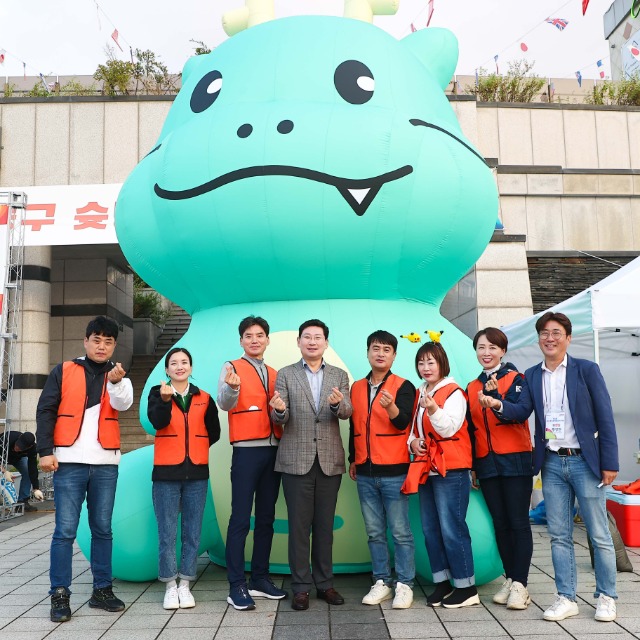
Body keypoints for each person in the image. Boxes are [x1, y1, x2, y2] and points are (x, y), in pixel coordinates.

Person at [479, 312, 619, 623]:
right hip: (552, 463)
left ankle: (606, 596)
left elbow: (605, 417)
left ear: (568, 338)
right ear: (538, 338)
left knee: (598, 533)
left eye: (556, 332)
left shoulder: (586, 370)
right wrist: (497, 403)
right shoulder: (531, 374)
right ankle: (566, 597)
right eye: (544, 332)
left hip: (586, 461)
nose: (549, 338)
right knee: (558, 534)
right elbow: (521, 410)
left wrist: (610, 462)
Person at [36, 316, 133, 623]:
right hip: (69, 461)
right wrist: (44, 451)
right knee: (64, 531)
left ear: (114, 345)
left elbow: (122, 405)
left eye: (108, 342)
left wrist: (116, 382)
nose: (102, 346)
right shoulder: (64, 370)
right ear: (86, 340)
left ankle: (102, 590)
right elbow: (46, 410)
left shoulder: (120, 376)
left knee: (102, 529)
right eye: (97, 340)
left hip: (105, 463)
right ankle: (60, 593)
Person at [271, 319, 352, 611]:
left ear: (326, 343)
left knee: (324, 526)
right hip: (295, 460)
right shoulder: (285, 374)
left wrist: (335, 404)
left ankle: (325, 584)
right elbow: (279, 416)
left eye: (318, 337)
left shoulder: (340, 375)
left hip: (329, 460)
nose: (313, 342)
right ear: (299, 342)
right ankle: (301, 587)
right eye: (307, 337)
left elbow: (346, 411)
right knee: (299, 527)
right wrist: (279, 411)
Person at [217, 316, 287, 611]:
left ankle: (260, 577)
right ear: (241, 341)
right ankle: (236, 585)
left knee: (267, 518)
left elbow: (281, 412)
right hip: (247, 452)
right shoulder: (231, 367)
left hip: (274, 451)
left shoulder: (275, 373)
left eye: (260, 335)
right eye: (249, 336)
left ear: (268, 340)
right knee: (241, 518)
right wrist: (232, 388)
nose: (255, 340)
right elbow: (224, 402)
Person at [407, 340, 479, 609]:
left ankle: (466, 586)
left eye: (431, 362)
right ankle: (442, 582)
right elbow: (414, 431)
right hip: (427, 466)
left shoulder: (454, 393)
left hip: (451, 468)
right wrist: (413, 443)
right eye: (421, 362)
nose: (425, 368)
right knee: (430, 528)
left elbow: (449, 429)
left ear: (442, 364)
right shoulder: (420, 392)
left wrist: (434, 409)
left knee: (452, 528)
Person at [148, 347, 221, 610]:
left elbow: (214, 432)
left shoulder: (205, 398)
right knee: (167, 532)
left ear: (191, 367)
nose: (179, 366)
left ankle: (185, 584)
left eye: (184, 362)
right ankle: (169, 584)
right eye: (174, 363)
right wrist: (166, 401)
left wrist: (195, 449)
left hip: (197, 473)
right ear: (166, 370)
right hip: (166, 473)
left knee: (192, 532)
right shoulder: (157, 393)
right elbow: (157, 422)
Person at [466, 327, 533, 610]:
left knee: (518, 522)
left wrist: (496, 403)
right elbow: (470, 430)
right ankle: (510, 577)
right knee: (501, 523)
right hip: (487, 464)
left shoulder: (517, 379)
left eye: (493, 347)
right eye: (481, 347)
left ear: (503, 351)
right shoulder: (471, 387)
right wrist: (472, 466)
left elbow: (520, 412)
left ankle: (521, 584)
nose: (487, 353)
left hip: (515, 460)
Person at [348, 330, 416, 609]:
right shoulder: (356, 387)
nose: (380, 353)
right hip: (364, 470)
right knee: (374, 532)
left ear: (394, 355)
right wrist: (353, 458)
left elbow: (403, 424)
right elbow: (355, 426)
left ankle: (405, 584)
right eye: (376, 348)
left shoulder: (404, 385)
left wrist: (390, 408)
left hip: (395, 470)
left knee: (400, 532)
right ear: (367, 352)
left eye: (387, 350)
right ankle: (381, 581)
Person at [0, 431, 44, 511]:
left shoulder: (33, 448)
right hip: (2, 455)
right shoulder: (7, 437)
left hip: (18, 459)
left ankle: (22, 501)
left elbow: (32, 468)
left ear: (29, 447)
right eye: (17, 445)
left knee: (27, 472)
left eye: (21, 447)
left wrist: (36, 488)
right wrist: (4, 471)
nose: (17, 448)